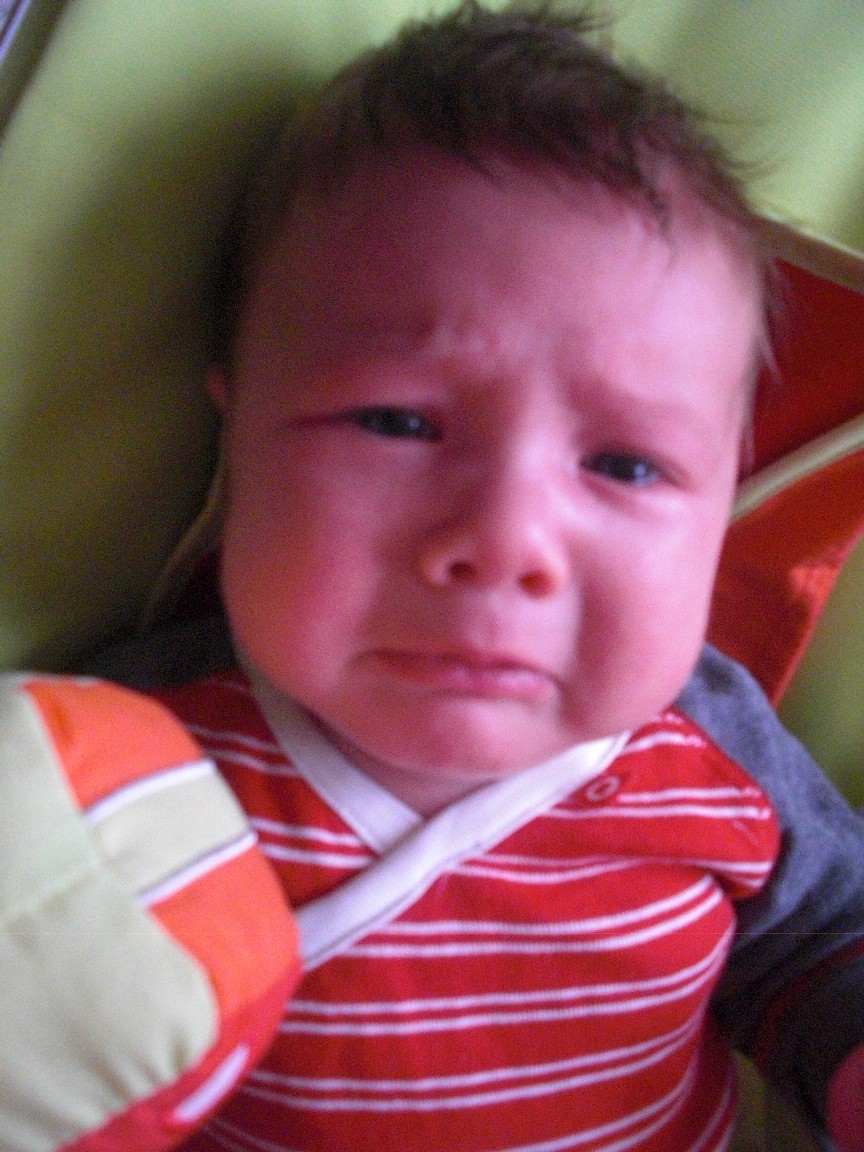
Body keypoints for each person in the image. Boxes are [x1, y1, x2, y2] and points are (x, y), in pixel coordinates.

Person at [130, 2, 864, 1149]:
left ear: (720, 497)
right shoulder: (126, 771)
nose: (507, 537)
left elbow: (827, 944)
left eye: (626, 464)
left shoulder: (715, 755)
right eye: (396, 421)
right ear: (237, 424)